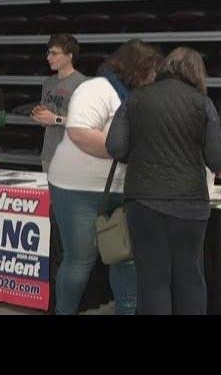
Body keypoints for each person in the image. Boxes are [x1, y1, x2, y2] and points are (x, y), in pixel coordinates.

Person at [107, 47, 221, 315]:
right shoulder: (203, 104)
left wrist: (140, 153)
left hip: (143, 201)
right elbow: (218, 159)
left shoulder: (135, 98)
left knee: (152, 280)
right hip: (190, 204)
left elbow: (115, 147)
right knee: (190, 278)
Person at [48, 39, 163, 315]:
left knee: (125, 257)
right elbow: (80, 133)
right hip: (78, 188)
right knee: (80, 259)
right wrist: (127, 151)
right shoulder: (97, 88)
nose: (155, 77)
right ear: (138, 68)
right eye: (152, 70)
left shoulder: (142, 97)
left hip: (125, 189)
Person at [31, 34, 86, 173]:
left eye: (54, 53)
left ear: (69, 56)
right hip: (49, 153)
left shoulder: (82, 84)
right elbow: (47, 117)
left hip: (72, 156)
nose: (49, 57)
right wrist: (40, 116)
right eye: (48, 53)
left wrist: (55, 119)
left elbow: (85, 123)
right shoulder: (48, 83)